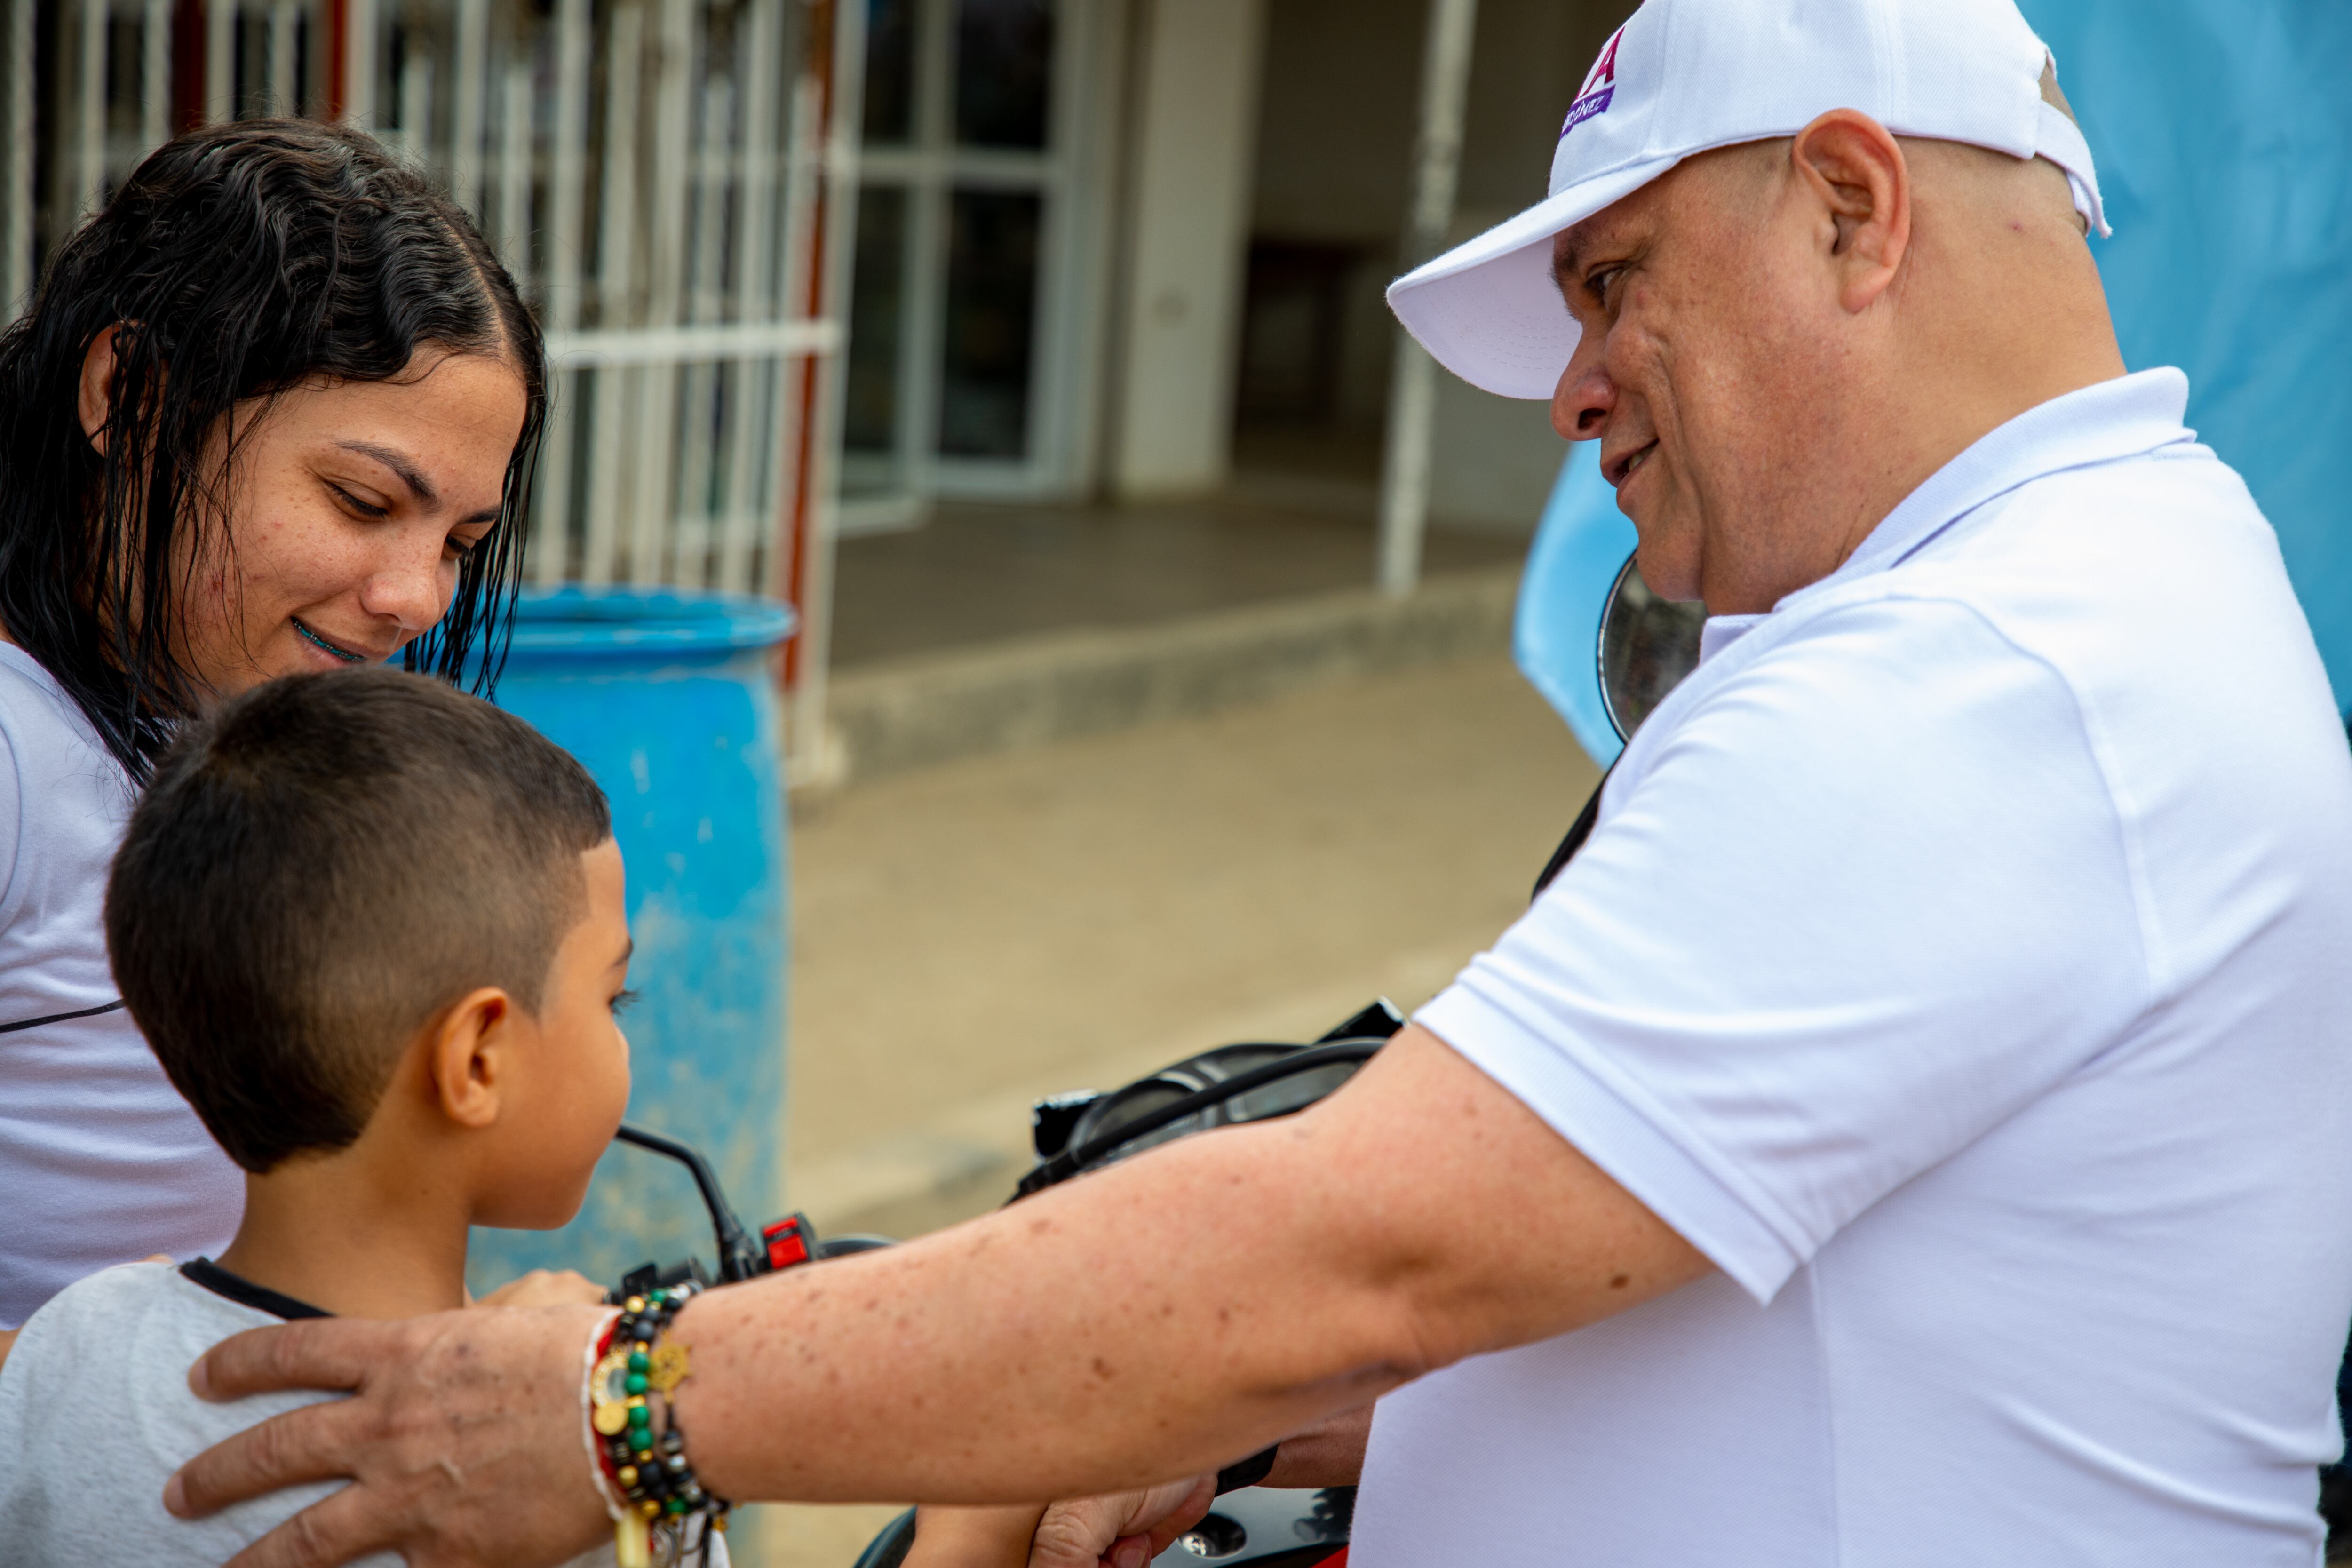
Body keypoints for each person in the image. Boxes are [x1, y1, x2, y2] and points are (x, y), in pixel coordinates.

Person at [162, 0, 2352, 1564]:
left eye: (1612, 285)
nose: (1575, 389)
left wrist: (626, 1404)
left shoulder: (1985, 671)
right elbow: (1713, 1263)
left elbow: (1366, 1232)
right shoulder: (2079, 594)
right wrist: (1281, 1420)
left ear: (1855, 208)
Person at [0, 119, 543, 1342]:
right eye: (361, 499)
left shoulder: (203, 738)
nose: (417, 597)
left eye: (460, 543)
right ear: (128, 394)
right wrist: (189, 1395)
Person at [0, 668, 703, 1565]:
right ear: (476, 1060)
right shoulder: (589, 1477)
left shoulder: (67, 1342)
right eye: (616, 996)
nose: (622, 1036)